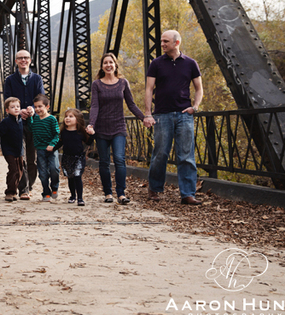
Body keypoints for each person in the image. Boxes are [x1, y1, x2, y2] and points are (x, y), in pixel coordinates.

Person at [144, 30, 204, 205]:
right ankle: (154, 188)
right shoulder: (156, 63)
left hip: (184, 115)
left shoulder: (191, 63)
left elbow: (199, 88)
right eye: (162, 41)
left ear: (176, 43)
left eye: (165, 41)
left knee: (186, 155)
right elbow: (149, 89)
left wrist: (195, 107)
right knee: (160, 154)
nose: (162, 44)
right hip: (162, 115)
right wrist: (148, 113)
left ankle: (187, 194)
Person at [85, 53, 146, 205]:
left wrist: (144, 118)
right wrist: (91, 124)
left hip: (118, 126)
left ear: (115, 64)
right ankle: (107, 193)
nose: (108, 65)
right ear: (102, 66)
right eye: (105, 63)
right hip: (101, 128)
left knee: (119, 159)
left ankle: (121, 193)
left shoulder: (123, 83)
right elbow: (95, 105)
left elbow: (131, 104)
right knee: (104, 162)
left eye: (110, 62)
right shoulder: (97, 84)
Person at [3, 50, 45, 200]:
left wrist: (34, 109)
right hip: (16, 124)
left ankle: (30, 185)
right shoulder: (10, 80)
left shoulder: (37, 79)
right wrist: (18, 111)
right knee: (21, 158)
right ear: (16, 61)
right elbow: (7, 100)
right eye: (20, 58)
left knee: (32, 158)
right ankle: (23, 189)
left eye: (26, 58)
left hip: (34, 123)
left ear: (30, 60)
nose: (23, 60)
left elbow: (41, 97)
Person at [56, 108, 92, 207]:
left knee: (77, 175)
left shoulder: (81, 132)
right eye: (66, 116)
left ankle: (80, 198)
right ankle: (72, 196)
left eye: (71, 116)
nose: (67, 118)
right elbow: (60, 143)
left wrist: (92, 135)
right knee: (70, 177)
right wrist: (52, 149)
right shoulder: (63, 132)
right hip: (67, 157)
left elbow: (88, 142)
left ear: (78, 119)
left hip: (79, 157)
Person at [30, 94, 60, 202]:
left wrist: (52, 144)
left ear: (47, 107)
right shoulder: (35, 119)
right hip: (40, 150)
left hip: (51, 149)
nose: (37, 109)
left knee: (54, 169)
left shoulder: (52, 119)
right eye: (35, 107)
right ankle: (46, 192)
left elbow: (57, 134)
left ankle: (55, 187)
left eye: (40, 106)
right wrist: (29, 117)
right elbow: (31, 129)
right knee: (43, 173)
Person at [0, 97, 24, 202]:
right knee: (13, 169)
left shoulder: (20, 120)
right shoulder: (6, 122)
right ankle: (9, 192)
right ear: (7, 110)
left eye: (18, 107)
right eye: (12, 107)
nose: (16, 109)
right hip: (9, 150)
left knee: (20, 171)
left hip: (19, 150)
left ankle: (14, 191)